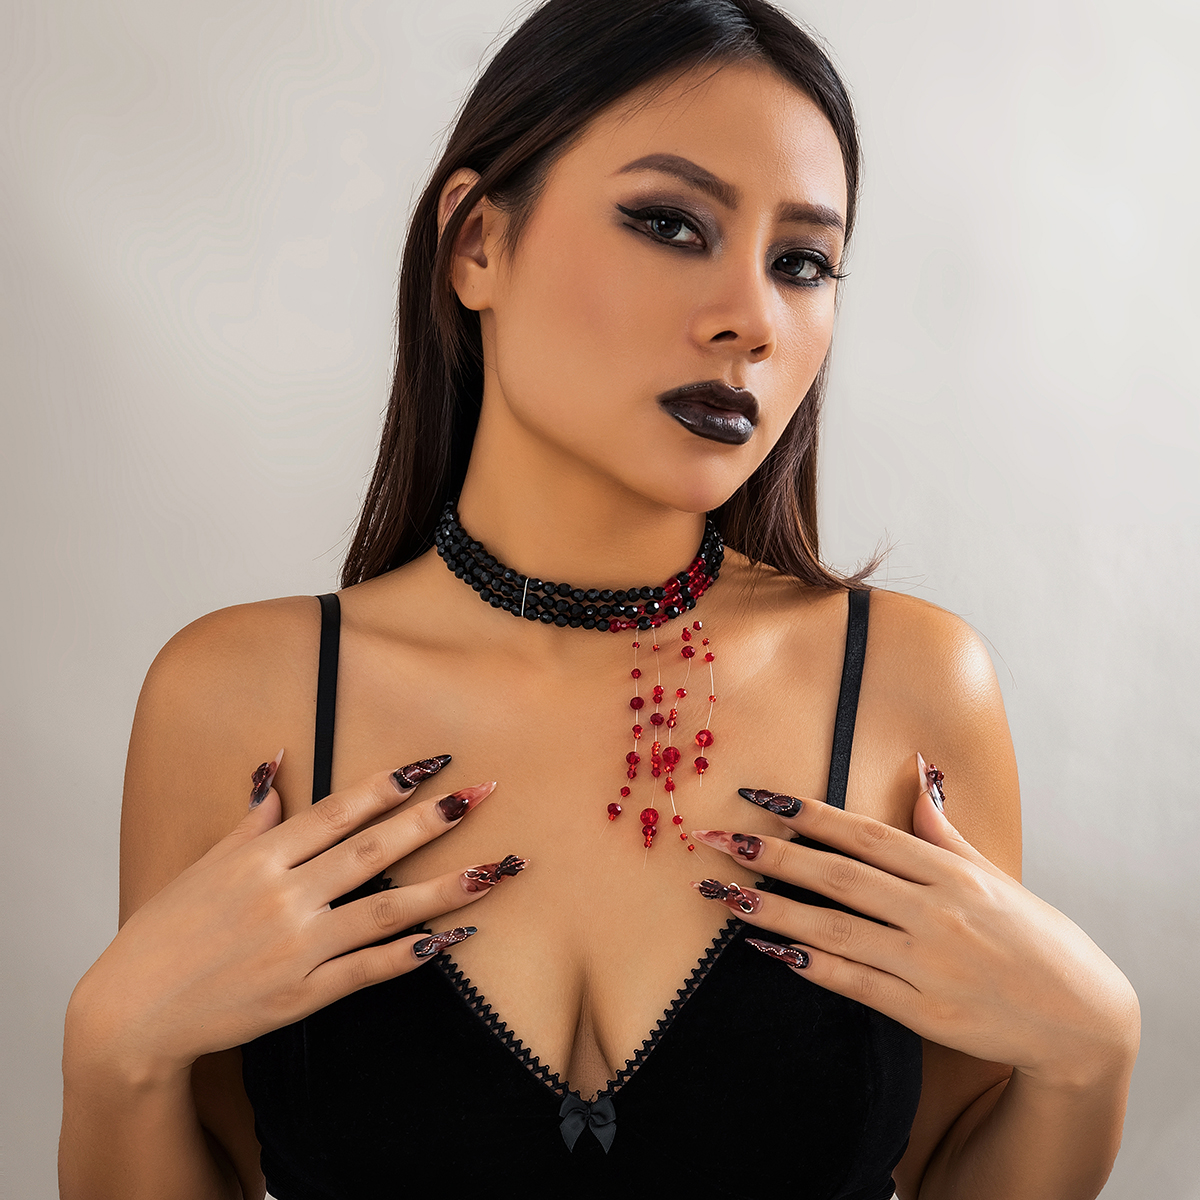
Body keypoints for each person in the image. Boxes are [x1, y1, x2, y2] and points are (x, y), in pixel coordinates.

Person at [58, 2, 1140, 1197]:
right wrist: (112, 1051)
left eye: (801, 263)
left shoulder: (911, 688)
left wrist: (1091, 1055)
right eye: (671, 224)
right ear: (477, 242)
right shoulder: (239, 698)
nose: (751, 320)